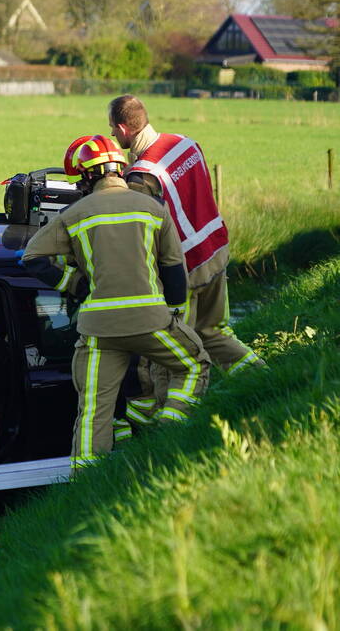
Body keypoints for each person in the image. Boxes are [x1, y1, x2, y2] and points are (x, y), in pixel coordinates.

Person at [22, 135, 210, 473]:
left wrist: (76, 283)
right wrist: (176, 310)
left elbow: (32, 257)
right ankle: (168, 430)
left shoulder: (73, 214)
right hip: (150, 323)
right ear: (120, 170)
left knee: (94, 410)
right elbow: (172, 266)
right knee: (194, 365)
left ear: (88, 176)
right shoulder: (154, 208)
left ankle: (85, 482)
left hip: (97, 330)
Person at [108, 95, 264, 423]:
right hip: (216, 250)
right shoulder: (185, 144)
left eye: (112, 130)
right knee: (214, 332)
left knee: (171, 357)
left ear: (123, 128)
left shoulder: (140, 176)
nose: (112, 136)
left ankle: (172, 425)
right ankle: (263, 381)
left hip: (186, 270)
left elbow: (142, 234)